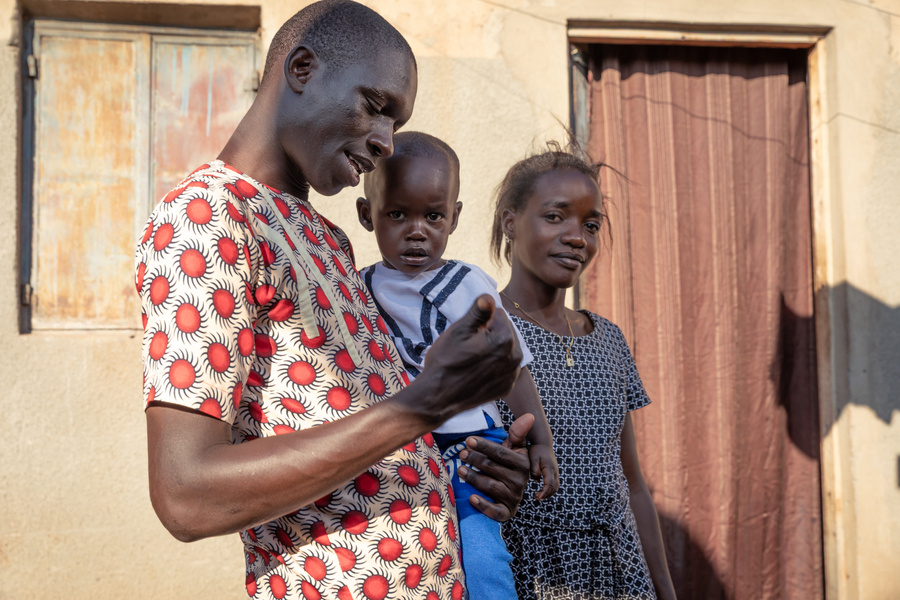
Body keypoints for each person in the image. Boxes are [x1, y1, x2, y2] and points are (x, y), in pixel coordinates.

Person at [134, 2, 532, 599]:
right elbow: (186, 493)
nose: (385, 143)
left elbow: (353, 433)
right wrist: (424, 405)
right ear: (302, 69)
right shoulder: (211, 216)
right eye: (377, 107)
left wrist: (469, 469)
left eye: (396, 124)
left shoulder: (327, 240)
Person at [355, 131, 560, 600]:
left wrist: (542, 442)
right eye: (397, 214)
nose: (416, 230)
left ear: (454, 217)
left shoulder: (467, 284)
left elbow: (514, 368)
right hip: (395, 451)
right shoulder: (356, 288)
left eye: (433, 216)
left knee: (482, 556)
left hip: (471, 449)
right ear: (368, 216)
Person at [490, 146, 677, 600]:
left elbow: (631, 484)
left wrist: (665, 589)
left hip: (619, 568)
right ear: (511, 222)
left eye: (590, 225)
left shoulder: (608, 339)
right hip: (531, 567)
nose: (578, 237)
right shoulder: (485, 330)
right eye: (556, 217)